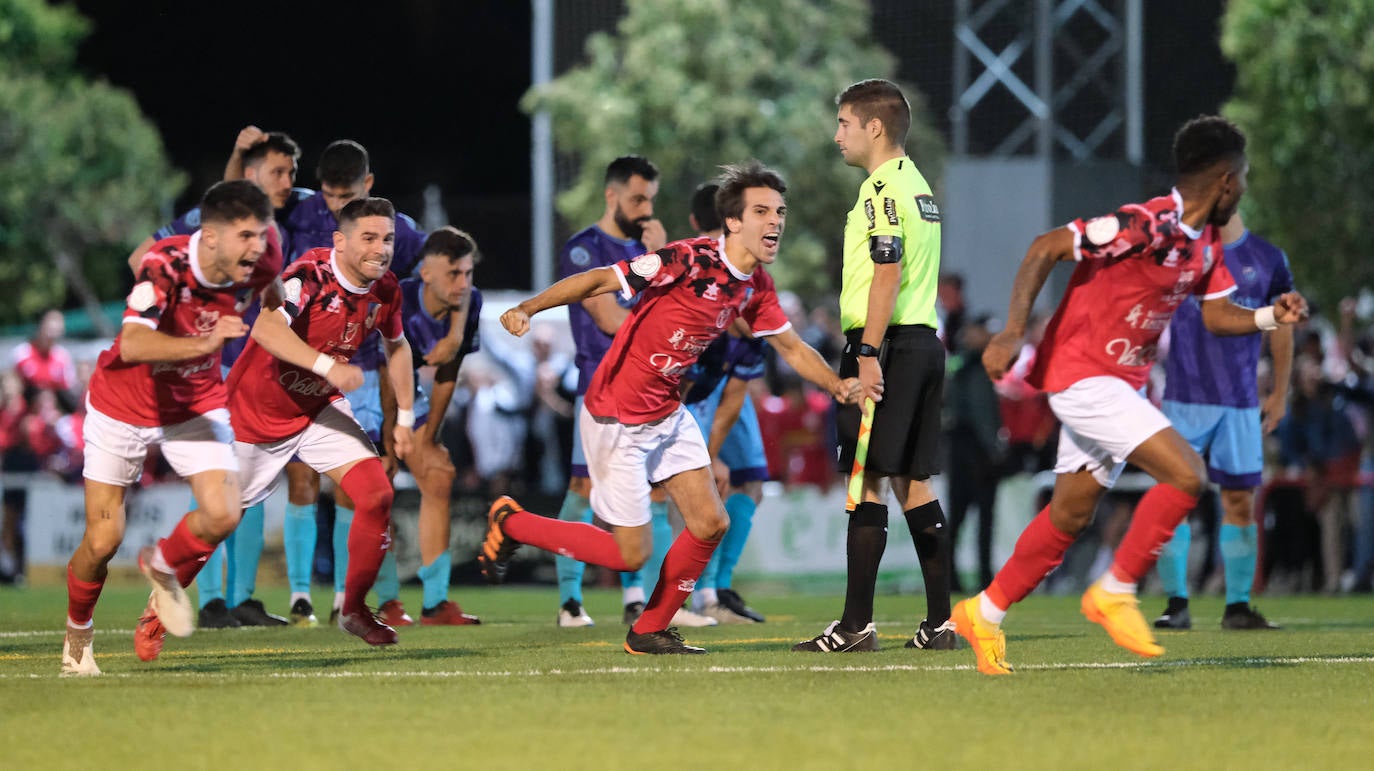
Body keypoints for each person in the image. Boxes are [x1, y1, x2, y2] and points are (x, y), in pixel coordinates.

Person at [958, 115, 1308, 675]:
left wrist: (1269, 314)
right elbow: (1047, 247)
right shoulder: (1147, 224)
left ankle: (983, 612)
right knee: (1188, 475)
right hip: (1081, 374)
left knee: (1070, 514)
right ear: (1224, 180)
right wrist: (1012, 330)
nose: (1242, 189)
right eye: (1241, 178)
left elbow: (1218, 315)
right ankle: (1116, 590)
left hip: (1118, 382)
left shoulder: (1205, 244)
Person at [480, 160, 862, 654]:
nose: (776, 222)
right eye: (762, 211)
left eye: (780, 211)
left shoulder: (755, 285)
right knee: (627, 555)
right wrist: (527, 308)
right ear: (733, 222)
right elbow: (599, 280)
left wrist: (835, 383)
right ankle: (512, 523)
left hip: (666, 411)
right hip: (617, 413)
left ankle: (649, 629)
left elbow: (788, 346)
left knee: (710, 522)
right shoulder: (687, 259)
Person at [61, 181, 280, 675]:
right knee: (102, 541)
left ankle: (164, 567)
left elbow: (272, 285)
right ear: (209, 236)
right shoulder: (163, 266)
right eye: (246, 235)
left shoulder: (260, 261)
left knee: (224, 513)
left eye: (262, 235)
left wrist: (271, 290)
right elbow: (135, 344)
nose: (258, 247)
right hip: (123, 403)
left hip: (194, 404)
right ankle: (78, 632)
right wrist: (204, 345)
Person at [794, 78, 955, 653]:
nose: (837, 134)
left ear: (874, 127)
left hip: (885, 346)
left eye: (844, 123)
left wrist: (866, 353)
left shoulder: (882, 191)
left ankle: (856, 625)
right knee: (914, 481)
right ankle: (940, 624)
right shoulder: (919, 187)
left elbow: (886, 271)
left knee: (865, 482)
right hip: (923, 343)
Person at [223, 196, 415, 646]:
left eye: (387, 238)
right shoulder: (308, 274)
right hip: (256, 414)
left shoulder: (386, 289)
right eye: (369, 238)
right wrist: (330, 368)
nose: (381, 248)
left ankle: (353, 609)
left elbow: (398, 346)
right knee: (219, 519)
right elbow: (267, 329)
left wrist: (404, 417)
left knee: (376, 495)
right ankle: (159, 604)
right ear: (340, 241)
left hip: (316, 410)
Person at [548, 155, 679, 629]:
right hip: (599, 390)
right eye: (637, 198)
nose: (645, 209)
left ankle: (640, 596)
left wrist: (662, 258)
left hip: (648, 390)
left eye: (650, 200)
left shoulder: (654, 252)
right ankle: (569, 601)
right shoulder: (584, 250)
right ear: (612, 195)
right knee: (583, 488)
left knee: (656, 491)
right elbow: (607, 319)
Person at [329, 226, 485, 626]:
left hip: (403, 391)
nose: (463, 283)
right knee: (370, 489)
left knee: (438, 473)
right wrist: (387, 443)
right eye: (454, 274)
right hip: (362, 381)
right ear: (427, 274)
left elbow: (450, 370)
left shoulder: (472, 302)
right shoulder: (398, 298)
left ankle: (435, 603)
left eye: (468, 273)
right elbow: (385, 374)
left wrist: (428, 436)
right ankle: (384, 600)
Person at [1152, 212, 1294, 630]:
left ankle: (1237, 607)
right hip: (1184, 397)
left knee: (1239, 502)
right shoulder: (1179, 251)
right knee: (1173, 502)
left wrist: (1280, 392)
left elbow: (1283, 323)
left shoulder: (1268, 257)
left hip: (1240, 402)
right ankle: (1176, 605)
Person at [681, 183, 770, 624]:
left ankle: (716, 589)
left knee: (750, 482)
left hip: (732, 380)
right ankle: (684, 594)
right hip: (696, 383)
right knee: (696, 487)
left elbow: (755, 328)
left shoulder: (753, 266)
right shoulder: (695, 265)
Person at [945, 315, 1004, 593]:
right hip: (973, 447)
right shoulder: (973, 365)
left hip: (964, 446)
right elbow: (982, 413)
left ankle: (958, 577)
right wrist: (992, 449)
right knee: (972, 519)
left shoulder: (962, 364)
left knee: (962, 519)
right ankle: (977, 578)